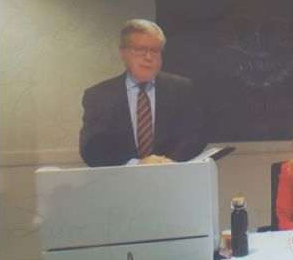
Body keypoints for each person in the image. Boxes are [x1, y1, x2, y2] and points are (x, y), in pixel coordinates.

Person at [79, 19, 206, 167]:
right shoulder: (99, 96)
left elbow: (195, 137)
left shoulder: (182, 89)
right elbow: (91, 149)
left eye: (155, 50)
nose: (148, 57)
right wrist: (137, 164)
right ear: (123, 52)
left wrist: (167, 163)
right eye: (140, 50)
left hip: (172, 175)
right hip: (120, 178)